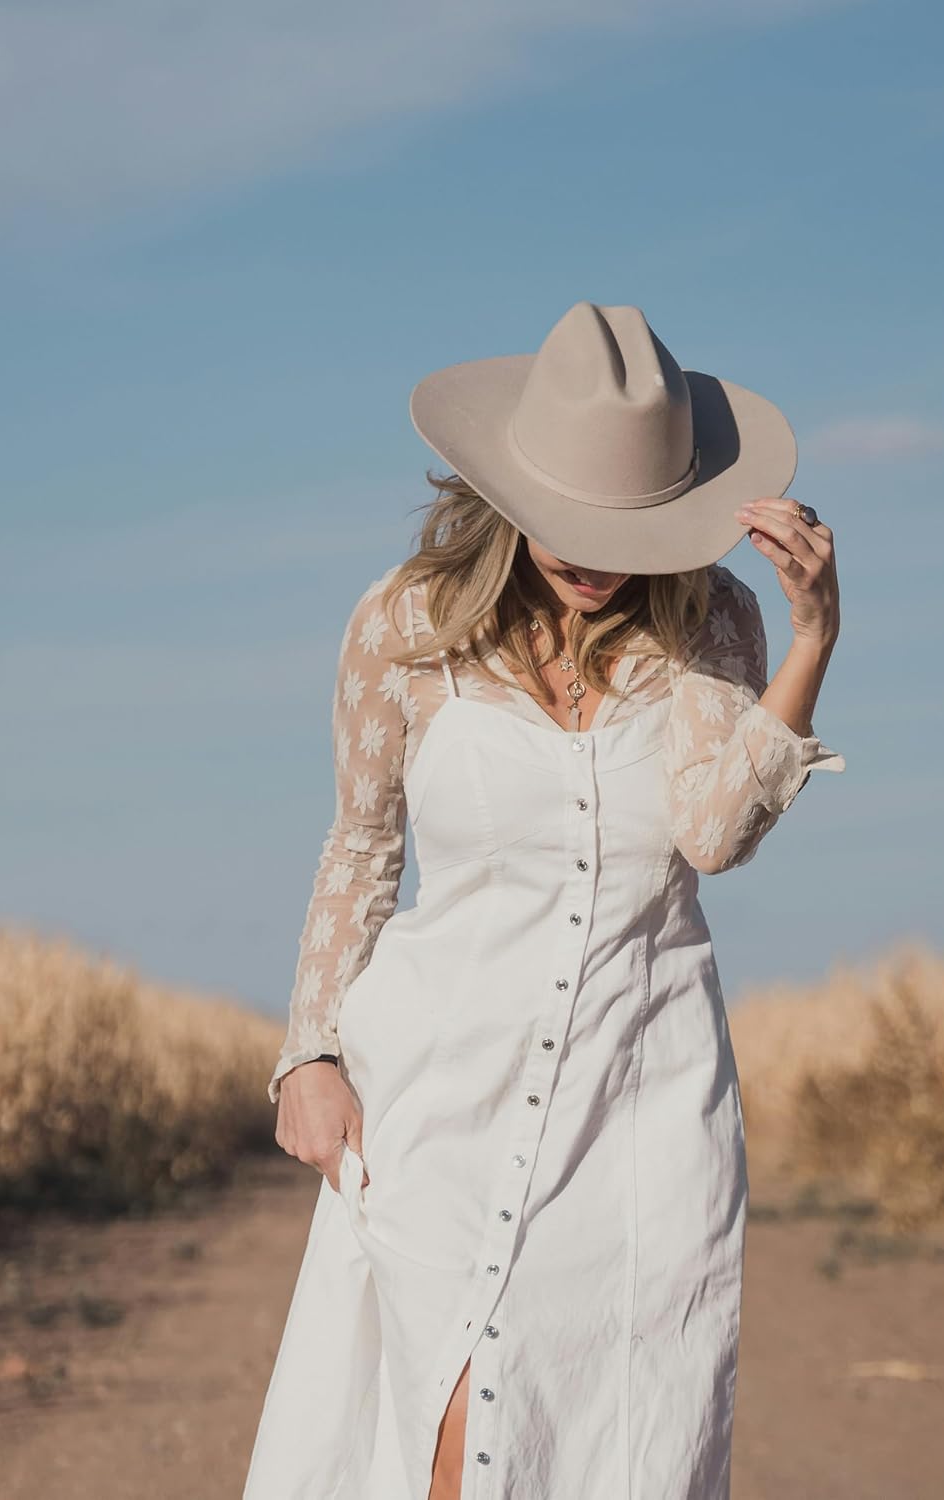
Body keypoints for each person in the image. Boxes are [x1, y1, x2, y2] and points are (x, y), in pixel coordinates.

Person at [243, 301, 846, 1500]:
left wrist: (811, 637)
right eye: (569, 517)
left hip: (641, 1110)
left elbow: (714, 836)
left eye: (625, 524)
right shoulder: (402, 627)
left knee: (618, 1447)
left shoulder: (712, 619)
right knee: (449, 1431)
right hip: (439, 1099)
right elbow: (363, 846)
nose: (590, 551)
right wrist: (308, 1051)